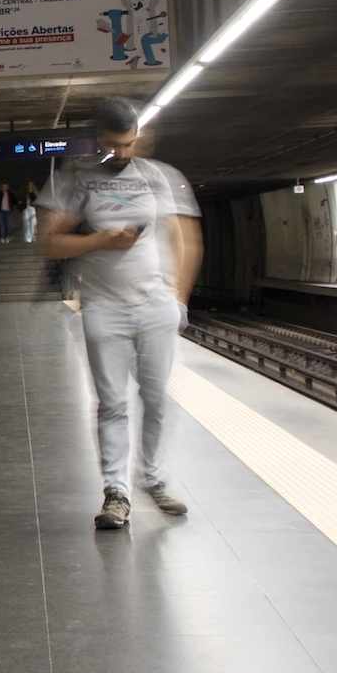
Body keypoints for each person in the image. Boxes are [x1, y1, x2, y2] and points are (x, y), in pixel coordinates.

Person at [39, 95, 202, 531]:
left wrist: (178, 299)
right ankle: (117, 494)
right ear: (98, 139)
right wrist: (100, 241)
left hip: (154, 307)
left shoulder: (157, 177)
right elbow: (49, 243)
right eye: (114, 144)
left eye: (129, 143)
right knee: (112, 404)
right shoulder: (74, 178)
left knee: (156, 399)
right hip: (104, 308)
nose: (123, 153)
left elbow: (182, 235)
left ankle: (154, 478)